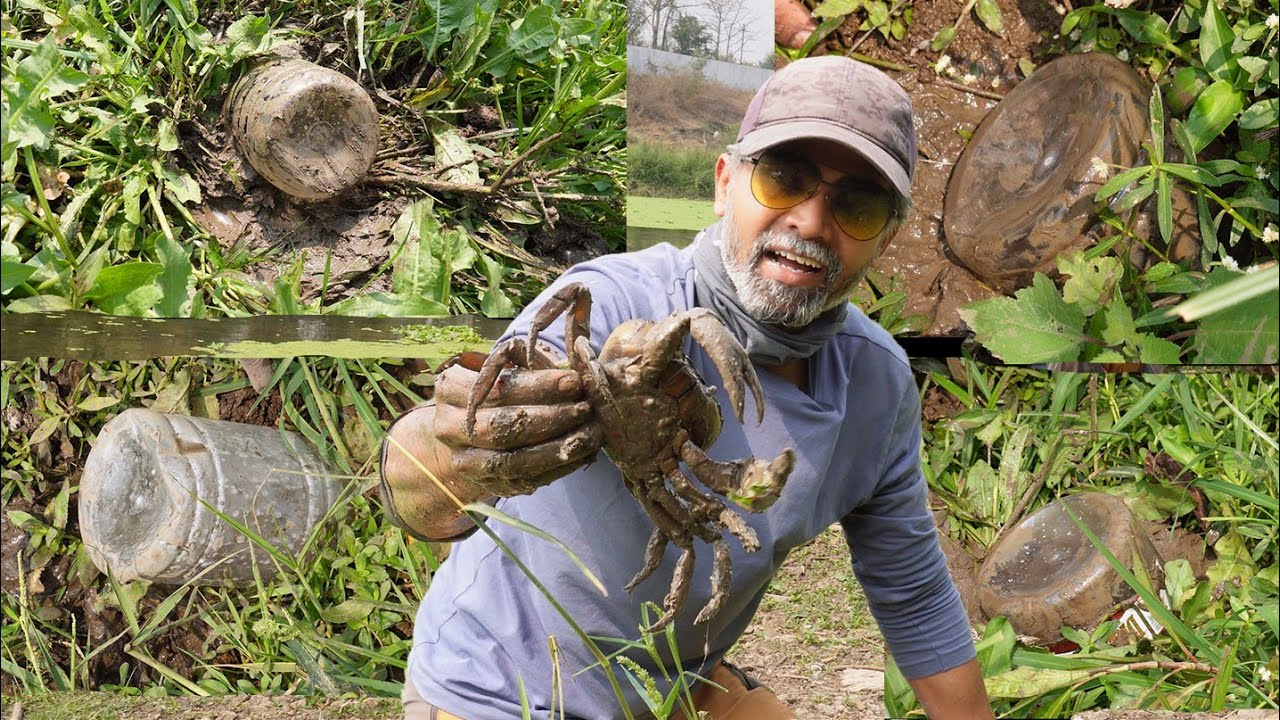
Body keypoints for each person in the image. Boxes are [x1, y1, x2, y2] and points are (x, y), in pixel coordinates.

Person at [381, 56, 993, 720]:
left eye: (859, 205)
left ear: (889, 236)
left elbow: (917, 594)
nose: (813, 224)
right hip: (505, 687)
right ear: (725, 182)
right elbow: (419, 490)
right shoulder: (617, 301)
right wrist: (457, 443)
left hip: (674, 680)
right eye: (784, 179)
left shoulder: (875, 385)